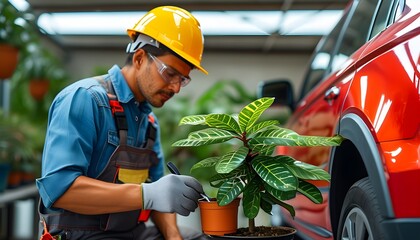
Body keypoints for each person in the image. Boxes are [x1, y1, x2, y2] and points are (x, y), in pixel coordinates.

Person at [36, 6, 209, 240]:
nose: (176, 88)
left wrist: (173, 236)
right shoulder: (85, 99)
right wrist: (147, 194)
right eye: (170, 73)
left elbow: (158, 188)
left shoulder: (149, 122)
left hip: (132, 233)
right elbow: (60, 190)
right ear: (139, 58)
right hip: (79, 235)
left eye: (183, 79)